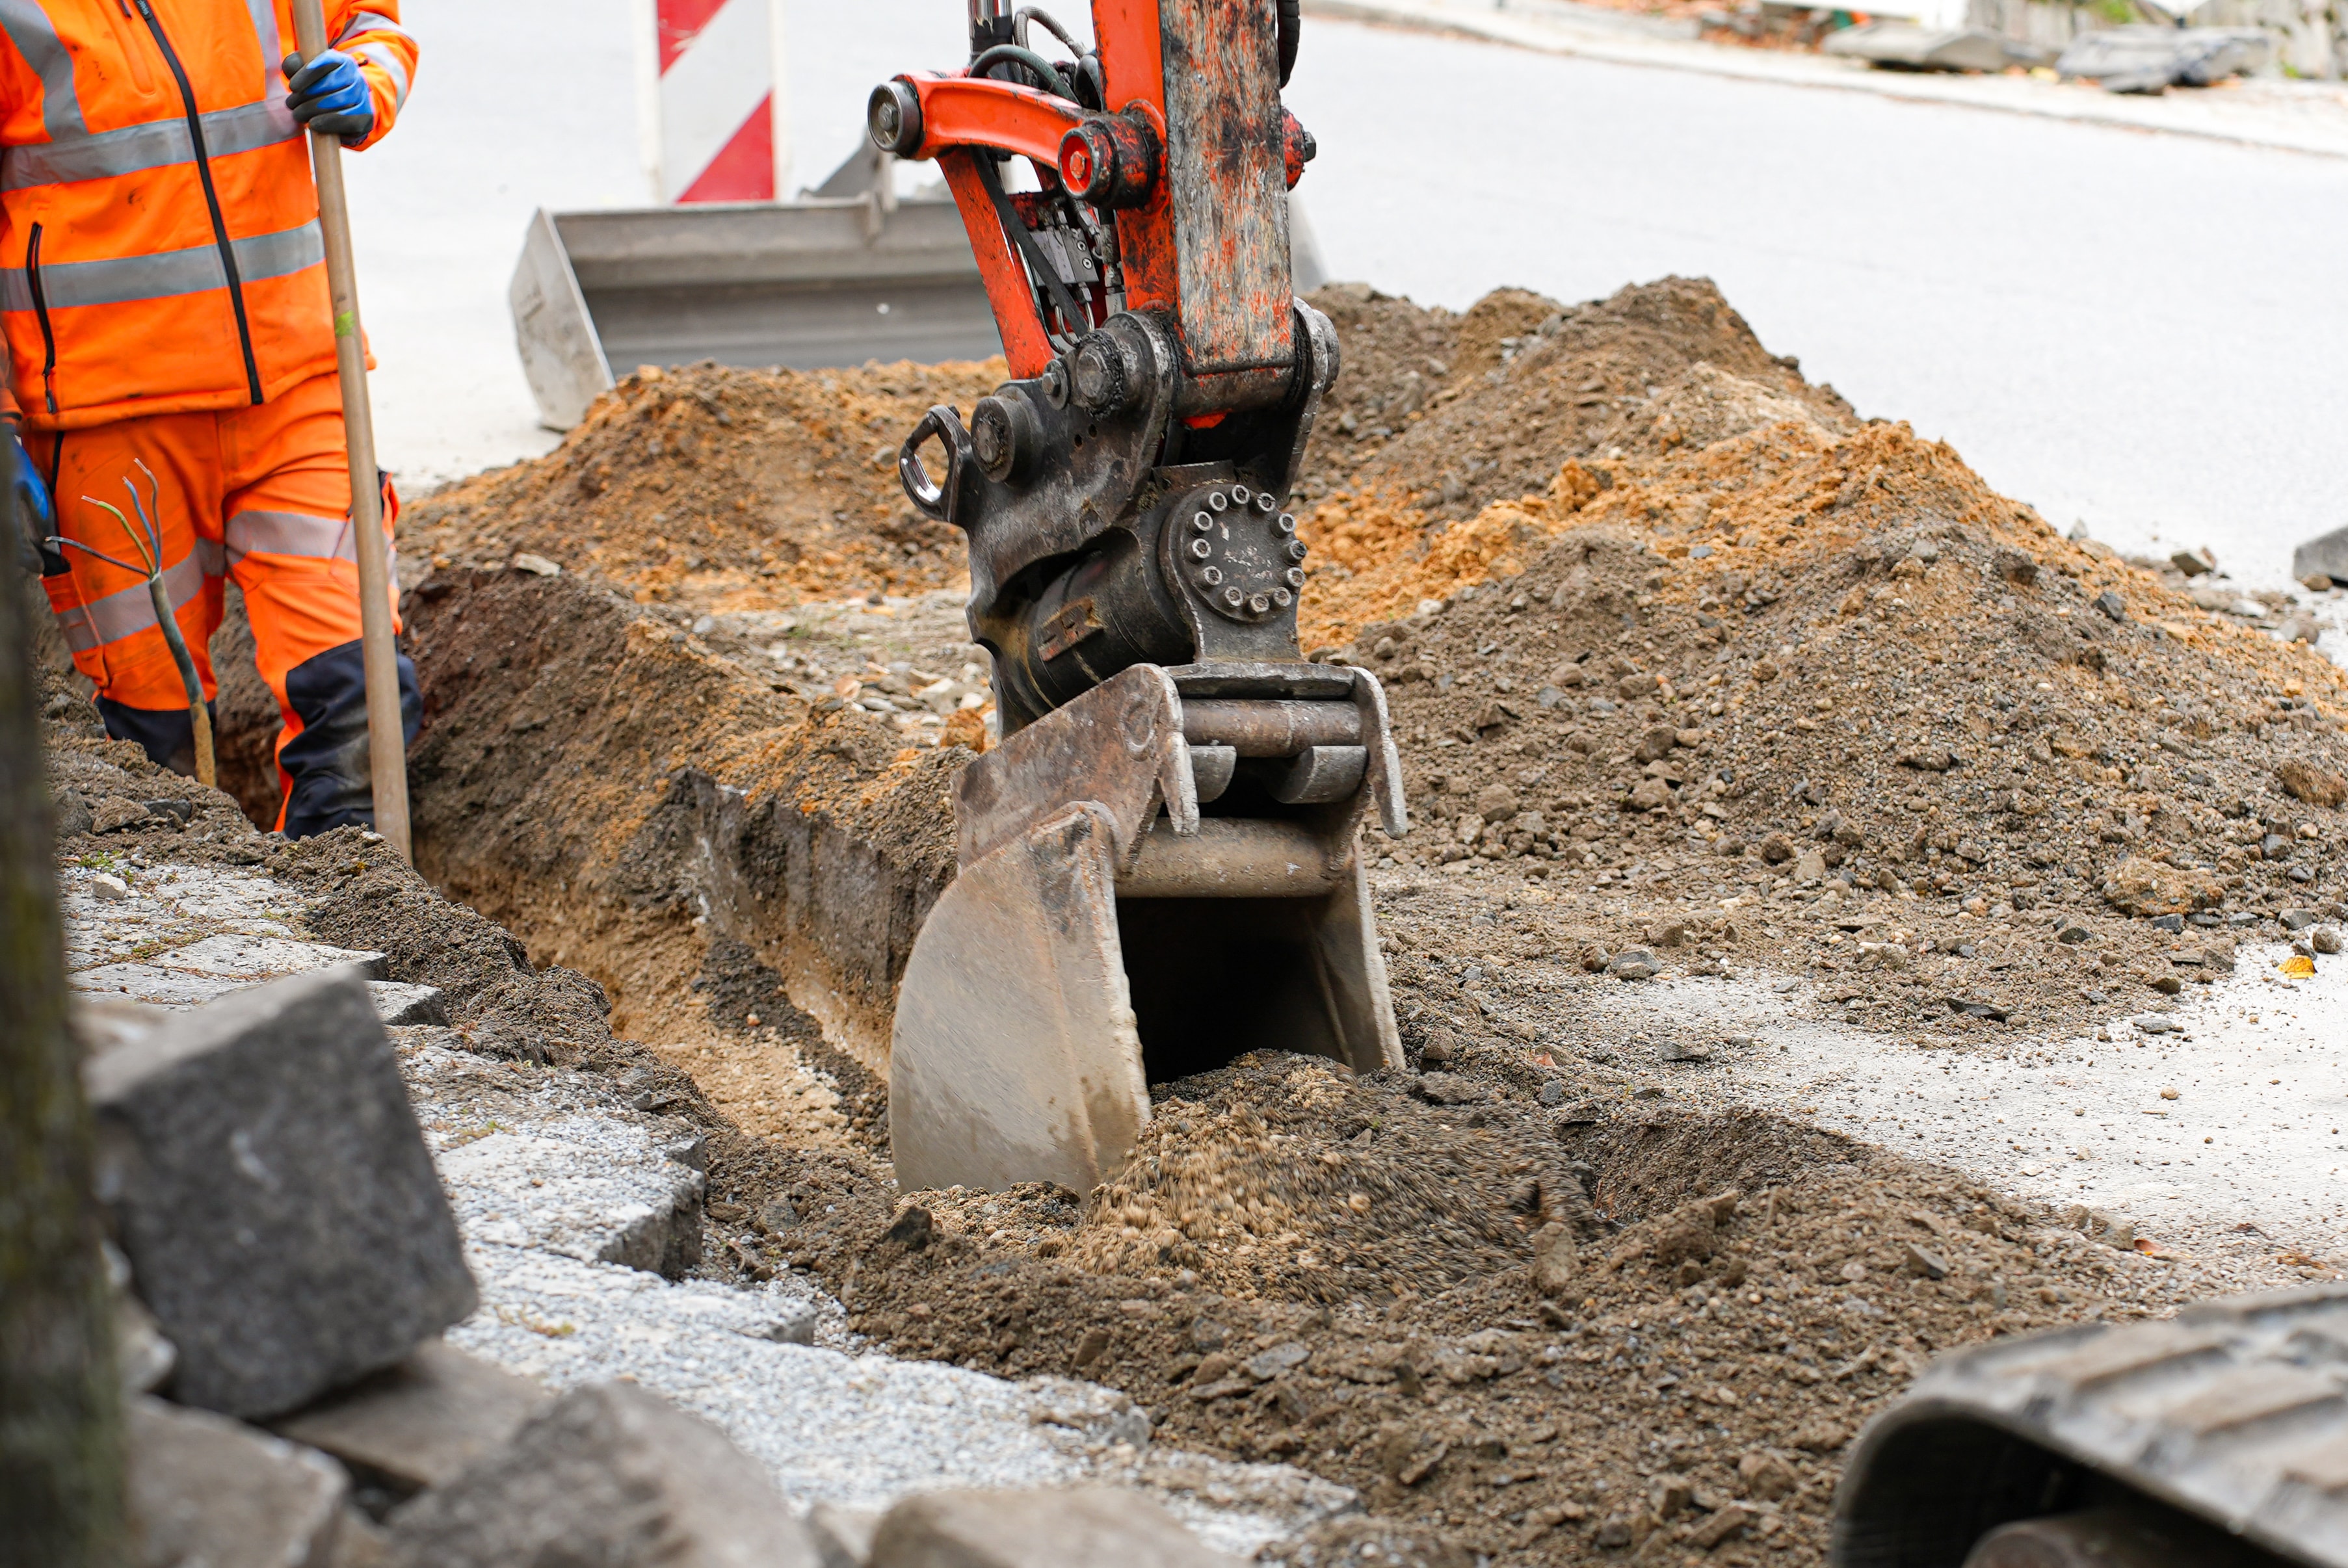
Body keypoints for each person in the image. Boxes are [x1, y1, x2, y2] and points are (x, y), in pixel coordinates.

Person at [2, 1, 420, 837]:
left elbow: (369, 22)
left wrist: (369, 82)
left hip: (297, 384)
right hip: (104, 424)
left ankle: (346, 942)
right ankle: (199, 958)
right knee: (152, 741)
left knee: (358, 694)